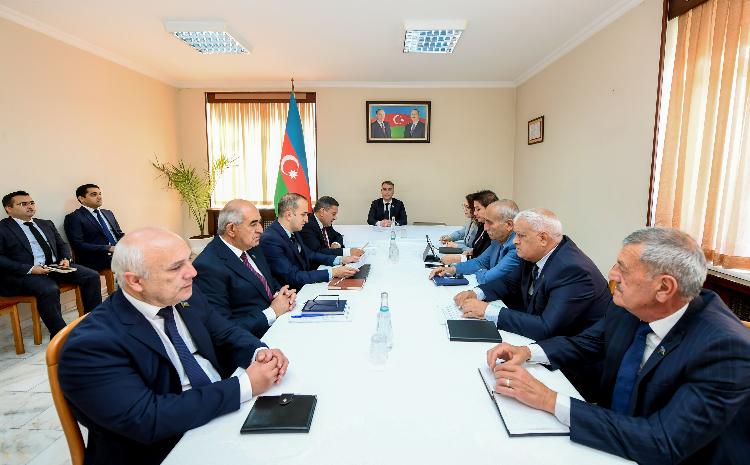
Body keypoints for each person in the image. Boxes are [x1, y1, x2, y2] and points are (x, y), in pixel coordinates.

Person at [485, 227, 750, 465]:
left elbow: (663, 442)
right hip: (615, 434)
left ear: (664, 287)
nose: (612, 274)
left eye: (623, 269)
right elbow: (589, 342)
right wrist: (527, 352)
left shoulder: (726, 349)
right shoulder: (629, 305)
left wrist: (548, 399)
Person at [58, 228, 289, 465]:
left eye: (188, 259)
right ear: (135, 281)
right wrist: (244, 386)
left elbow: (225, 331)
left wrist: (259, 352)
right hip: (165, 447)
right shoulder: (91, 346)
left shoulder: (183, 295)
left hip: (218, 411)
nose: (192, 272)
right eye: (176, 267)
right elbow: (147, 419)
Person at [454, 208, 609, 341]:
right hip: (538, 333)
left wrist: (487, 311)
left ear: (543, 238)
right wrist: (477, 293)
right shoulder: (535, 253)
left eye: (520, 235)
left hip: (570, 353)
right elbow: (508, 283)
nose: (514, 241)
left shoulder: (572, 270)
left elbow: (547, 328)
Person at [0, 191, 102, 338]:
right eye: (23, 204)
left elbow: (62, 244)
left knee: (91, 276)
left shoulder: (45, 223)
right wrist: (30, 269)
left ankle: (94, 322)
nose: (30, 206)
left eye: (31, 203)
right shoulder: (3, 228)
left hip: (54, 267)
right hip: (24, 273)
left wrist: (66, 258)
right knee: (49, 289)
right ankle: (60, 336)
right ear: (9, 208)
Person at [193, 200, 297, 338]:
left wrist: (282, 294)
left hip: (281, 323)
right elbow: (222, 329)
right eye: (253, 224)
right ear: (231, 229)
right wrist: (272, 312)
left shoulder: (252, 247)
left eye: (259, 222)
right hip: (254, 340)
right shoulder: (208, 266)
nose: (261, 229)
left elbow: (267, 281)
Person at [261, 193, 358, 289]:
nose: (307, 220)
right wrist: (333, 272)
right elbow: (293, 276)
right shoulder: (271, 240)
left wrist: (340, 259)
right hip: (293, 291)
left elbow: (310, 254)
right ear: (289, 215)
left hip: (306, 282)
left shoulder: (293, 230)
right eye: (303, 215)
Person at [430, 199, 521, 285]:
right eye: (485, 222)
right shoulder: (498, 240)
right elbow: (479, 262)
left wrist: (482, 271)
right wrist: (452, 269)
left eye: (490, 222)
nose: (485, 228)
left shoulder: (517, 247)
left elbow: (487, 278)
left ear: (509, 225)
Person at [64, 183, 125, 271]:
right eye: (94, 194)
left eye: (100, 194)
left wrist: (129, 242)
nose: (99, 197)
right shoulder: (74, 217)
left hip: (117, 253)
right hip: (97, 258)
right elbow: (78, 244)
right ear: (81, 198)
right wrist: (108, 248)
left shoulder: (108, 213)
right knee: (136, 263)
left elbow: (119, 234)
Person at [441, 190, 496, 264]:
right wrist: (450, 237)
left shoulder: (484, 227)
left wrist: (462, 257)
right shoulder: (478, 224)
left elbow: (482, 258)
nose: (475, 213)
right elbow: (477, 252)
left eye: (478, 209)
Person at [299, 196, 364, 257]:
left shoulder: (325, 222)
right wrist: (347, 252)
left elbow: (338, 236)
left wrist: (336, 243)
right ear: (322, 212)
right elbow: (318, 252)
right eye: (333, 214)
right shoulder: (307, 225)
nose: (335, 218)